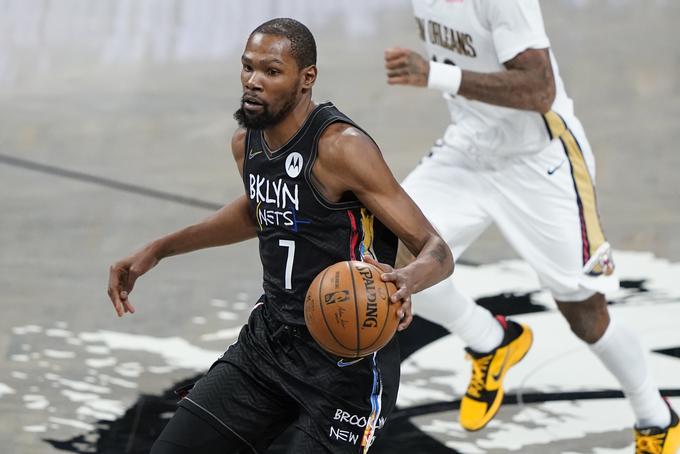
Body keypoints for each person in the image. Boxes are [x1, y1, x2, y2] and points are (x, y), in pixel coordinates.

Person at [107, 18, 453, 454]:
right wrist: (159, 249)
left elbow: (436, 249)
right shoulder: (246, 142)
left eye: (271, 71)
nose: (253, 81)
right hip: (269, 343)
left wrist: (408, 280)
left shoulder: (340, 148)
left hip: (347, 361)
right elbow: (261, 210)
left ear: (306, 78)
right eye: (248, 68)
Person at [384, 0, 679, 452]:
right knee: (394, 263)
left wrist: (435, 75)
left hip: (539, 161)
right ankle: (491, 340)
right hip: (467, 150)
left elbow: (540, 88)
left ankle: (656, 418)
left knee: (584, 312)